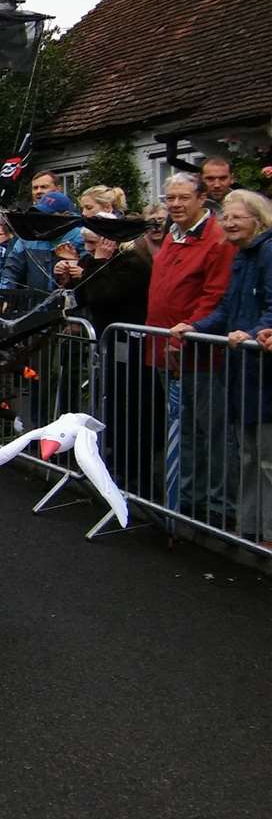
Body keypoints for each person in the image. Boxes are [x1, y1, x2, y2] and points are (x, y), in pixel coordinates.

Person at [170, 189, 272, 544]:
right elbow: (227, 308)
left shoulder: (268, 252)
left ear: (257, 219)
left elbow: (271, 305)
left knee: (265, 457)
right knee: (247, 454)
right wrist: (196, 326)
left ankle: (266, 531)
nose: (227, 223)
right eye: (225, 217)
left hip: (262, 366)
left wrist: (256, 331)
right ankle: (250, 529)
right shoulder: (242, 256)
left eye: (236, 217)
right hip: (244, 366)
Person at [146, 172, 236, 521]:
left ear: (201, 199)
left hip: (198, 352)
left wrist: (187, 334)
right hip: (164, 348)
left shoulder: (216, 239)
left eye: (184, 197)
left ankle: (217, 506)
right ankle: (186, 498)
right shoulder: (173, 234)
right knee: (180, 428)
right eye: (171, 198)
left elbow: (214, 295)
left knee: (210, 432)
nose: (176, 204)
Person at [4, 191, 82, 294]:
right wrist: (6, 295)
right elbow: (11, 270)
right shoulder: (29, 237)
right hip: (35, 303)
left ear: (65, 215)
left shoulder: (82, 237)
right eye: (39, 213)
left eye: (48, 215)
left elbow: (89, 272)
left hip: (70, 303)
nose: (42, 218)